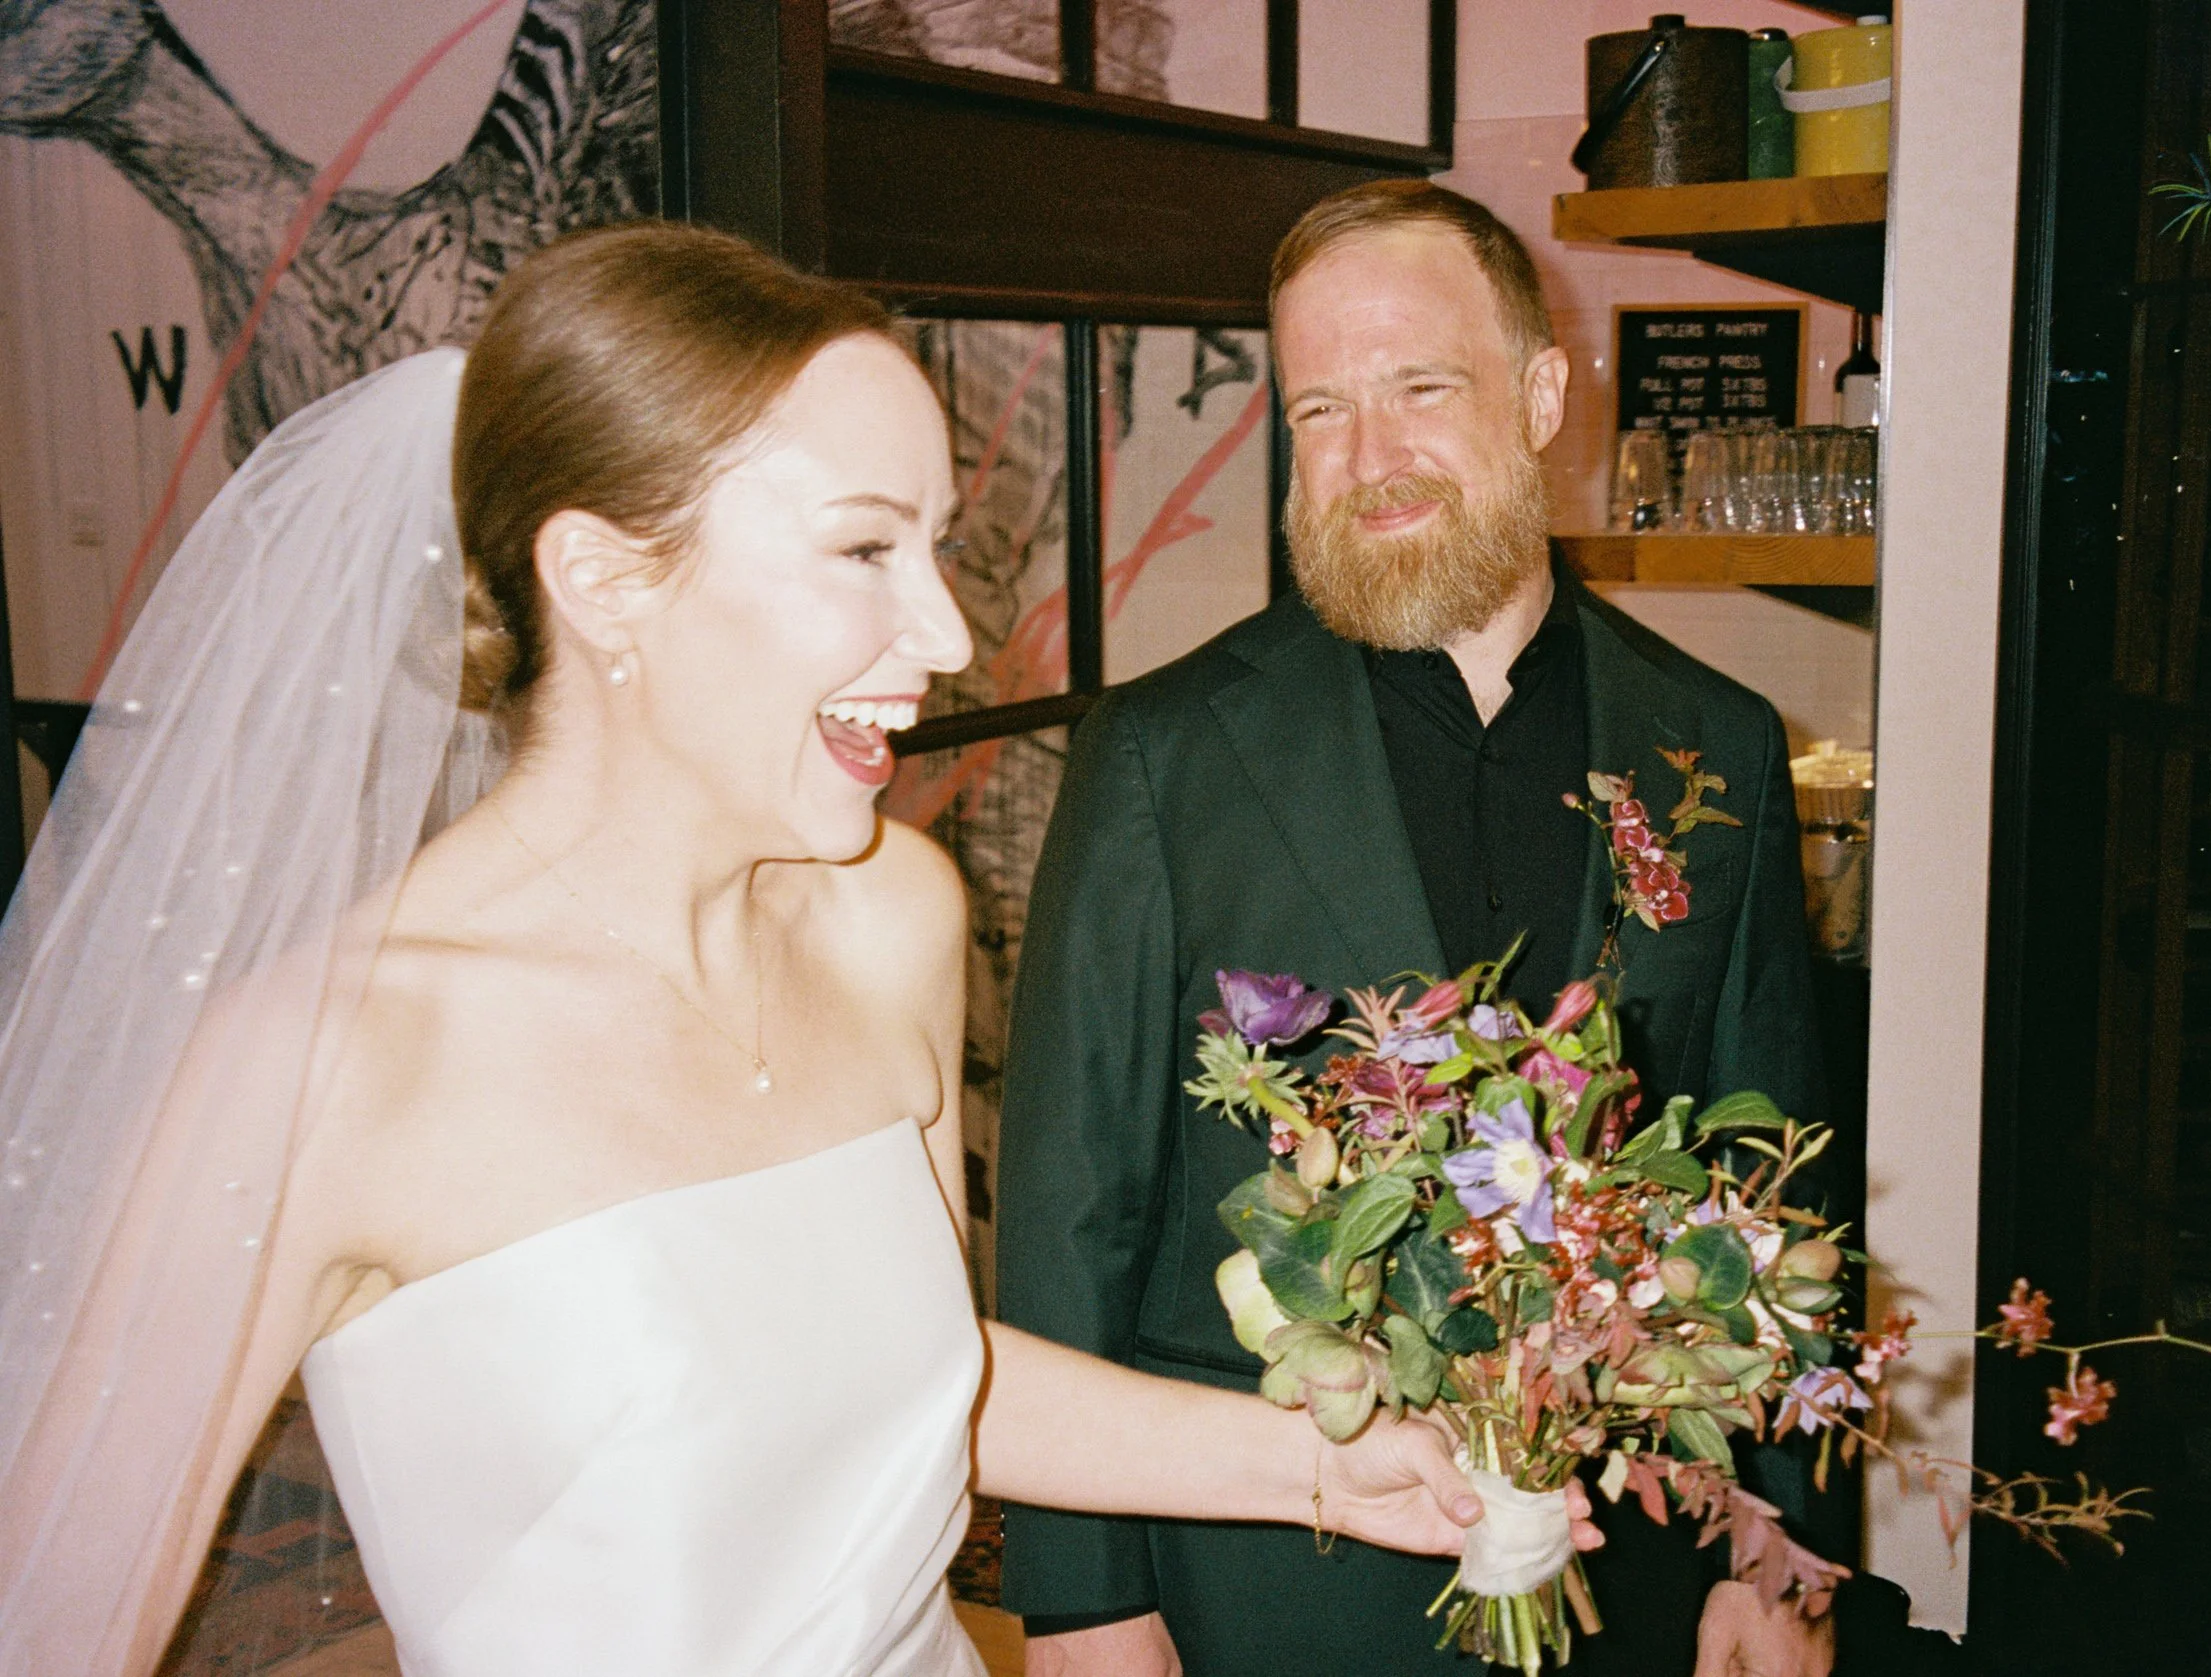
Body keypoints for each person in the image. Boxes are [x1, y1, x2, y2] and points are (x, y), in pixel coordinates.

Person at [0, 223, 1605, 1677]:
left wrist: (1321, 1462)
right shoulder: (327, 1061)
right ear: (607, 580)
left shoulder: (889, 916)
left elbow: (906, 1370)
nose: (949, 635)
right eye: (863, 551)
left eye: (933, 544)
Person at [997, 181, 1841, 1677]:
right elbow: (1069, 1219)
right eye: (1320, 410)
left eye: (1419, 388)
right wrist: (1080, 1608)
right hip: (1267, 1586)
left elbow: (1758, 1168)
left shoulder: (1717, 742)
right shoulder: (1158, 754)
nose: (1369, 458)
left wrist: (1769, 1544)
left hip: (1627, 1569)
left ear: (1538, 393)